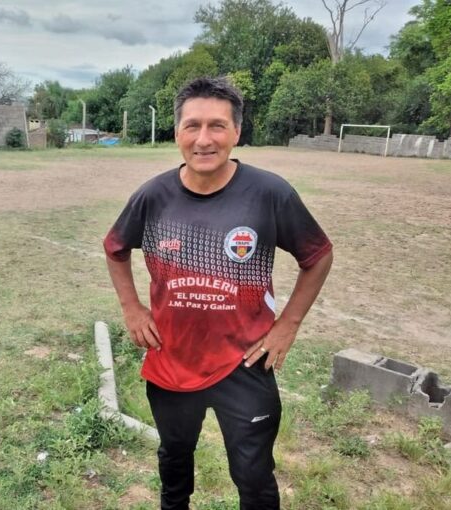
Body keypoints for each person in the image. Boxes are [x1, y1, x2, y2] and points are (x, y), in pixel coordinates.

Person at [103, 76, 333, 510]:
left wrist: (288, 324)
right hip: (172, 358)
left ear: (237, 132)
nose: (204, 139)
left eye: (217, 126)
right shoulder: (153, 196)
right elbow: (115, 248)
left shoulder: (269, 193)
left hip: (245, 362)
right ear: (177, 132)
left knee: (254, 477)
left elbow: (317, 255)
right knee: (174, 464)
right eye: (192, 126)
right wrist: (131, 308)